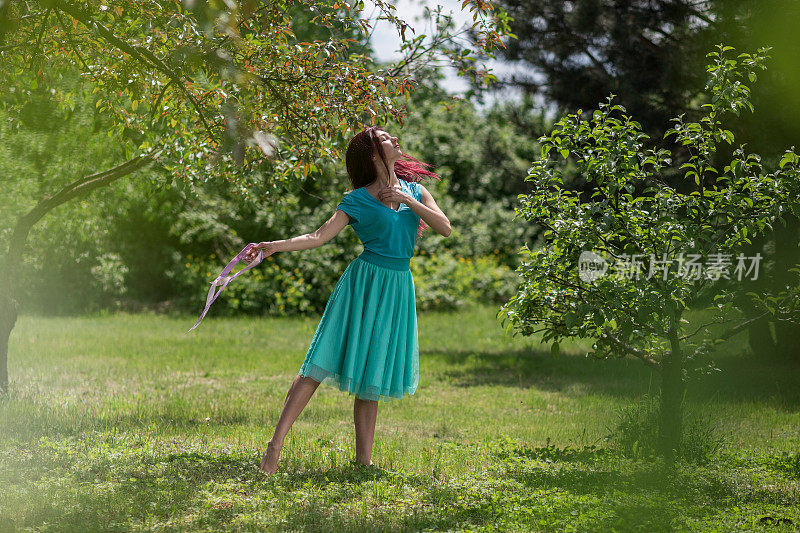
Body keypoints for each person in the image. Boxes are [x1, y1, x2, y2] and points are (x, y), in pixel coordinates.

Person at [245, 126, 452, 474]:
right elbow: (317, 236)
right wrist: (271, 246)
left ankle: (363, 461)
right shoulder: (355, 199)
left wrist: (408, 201)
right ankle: (275, 444)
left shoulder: (416, 190)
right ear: (372, 153)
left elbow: (445, 227)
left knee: (373, 371)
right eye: (386, 138)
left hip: (398, 285)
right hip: (363, 283)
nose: (395, 139)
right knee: (318, 365)